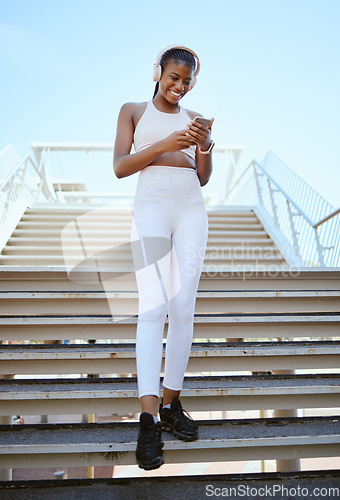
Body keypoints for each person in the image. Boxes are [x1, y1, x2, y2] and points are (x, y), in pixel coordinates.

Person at [113, 45, 214, 470]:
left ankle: (171, 402)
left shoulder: (195, 119)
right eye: (174, 77)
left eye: (187, 80)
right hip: (151, 205)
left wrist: (205, 146)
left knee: (183, 307)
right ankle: (149, 415)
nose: (179, 86)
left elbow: (203, 177)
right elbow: (120, 166)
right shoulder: (133, 110)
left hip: (190, 208)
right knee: (152, 307)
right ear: (158, 72)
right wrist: (165, 143)